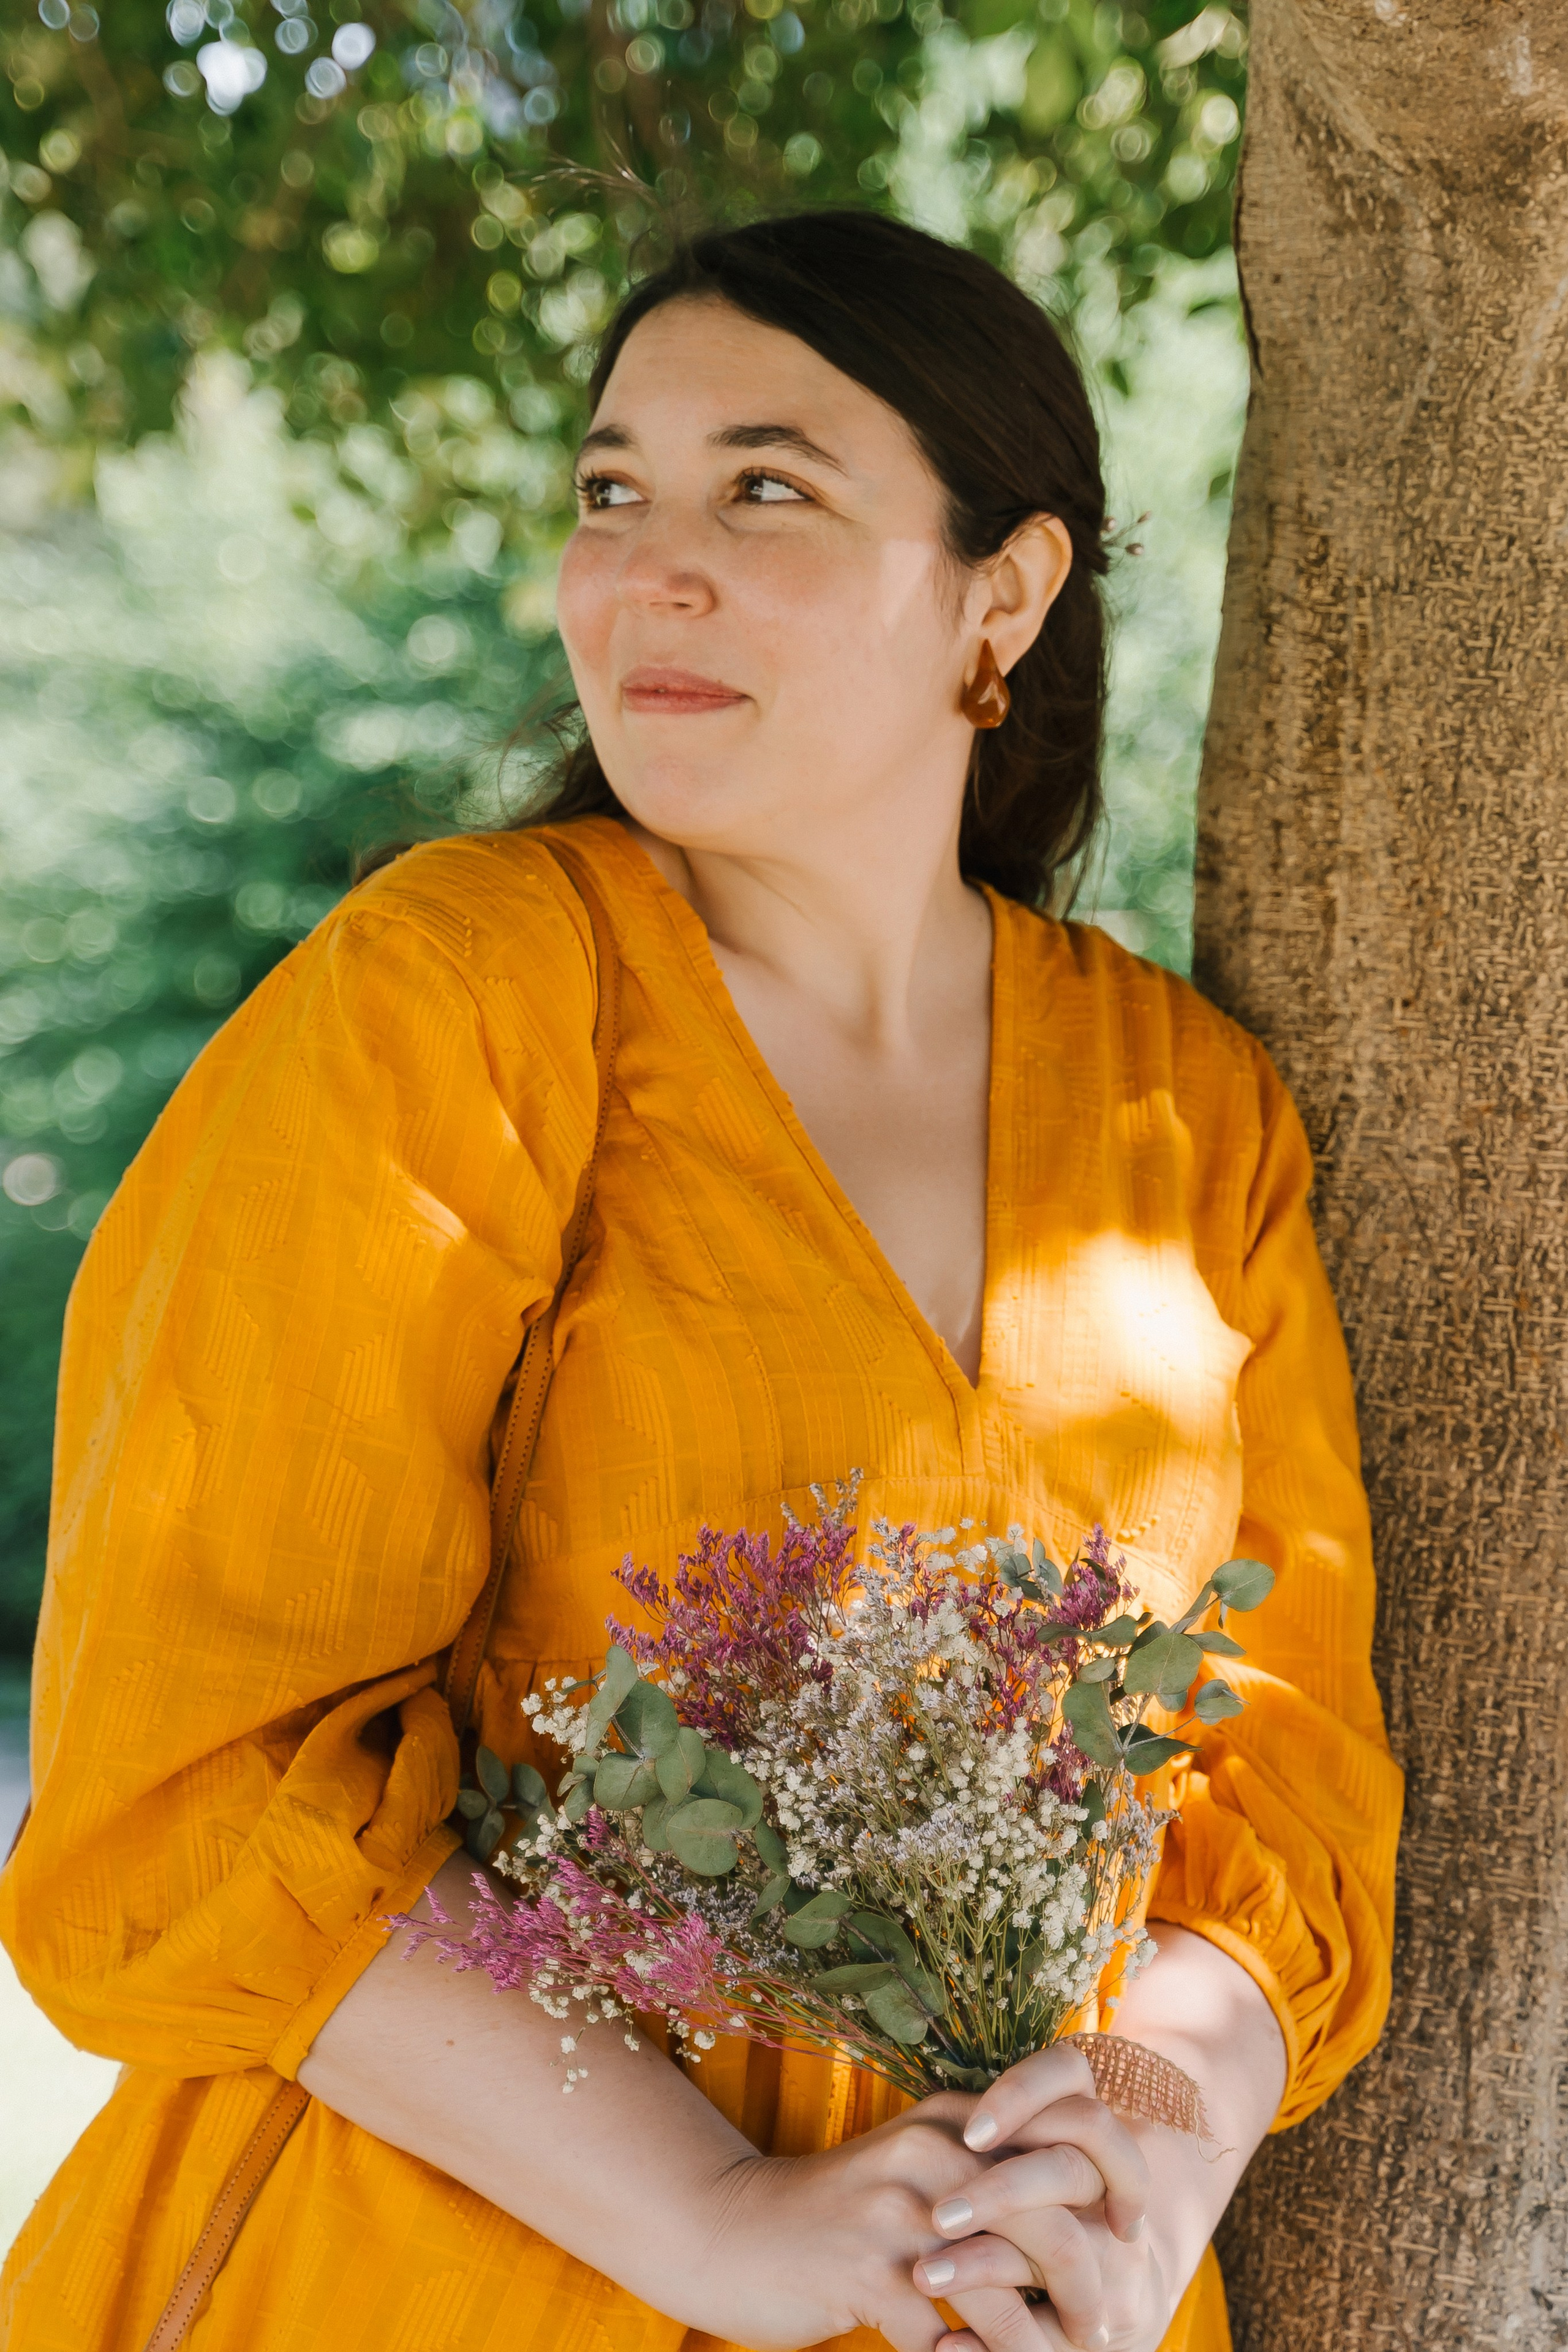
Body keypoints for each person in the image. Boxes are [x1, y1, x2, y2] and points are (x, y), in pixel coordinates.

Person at [0, 209, 1401, 2352]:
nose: (647, 566)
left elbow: (1283, 1768)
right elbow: (189, 1777)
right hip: (436, 2267)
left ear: (1001, 594)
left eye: (766, 488)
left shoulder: (1190, 1113)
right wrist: (723, 2220)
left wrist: (1147, 2132)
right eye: (609, 491)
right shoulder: (456, 998)